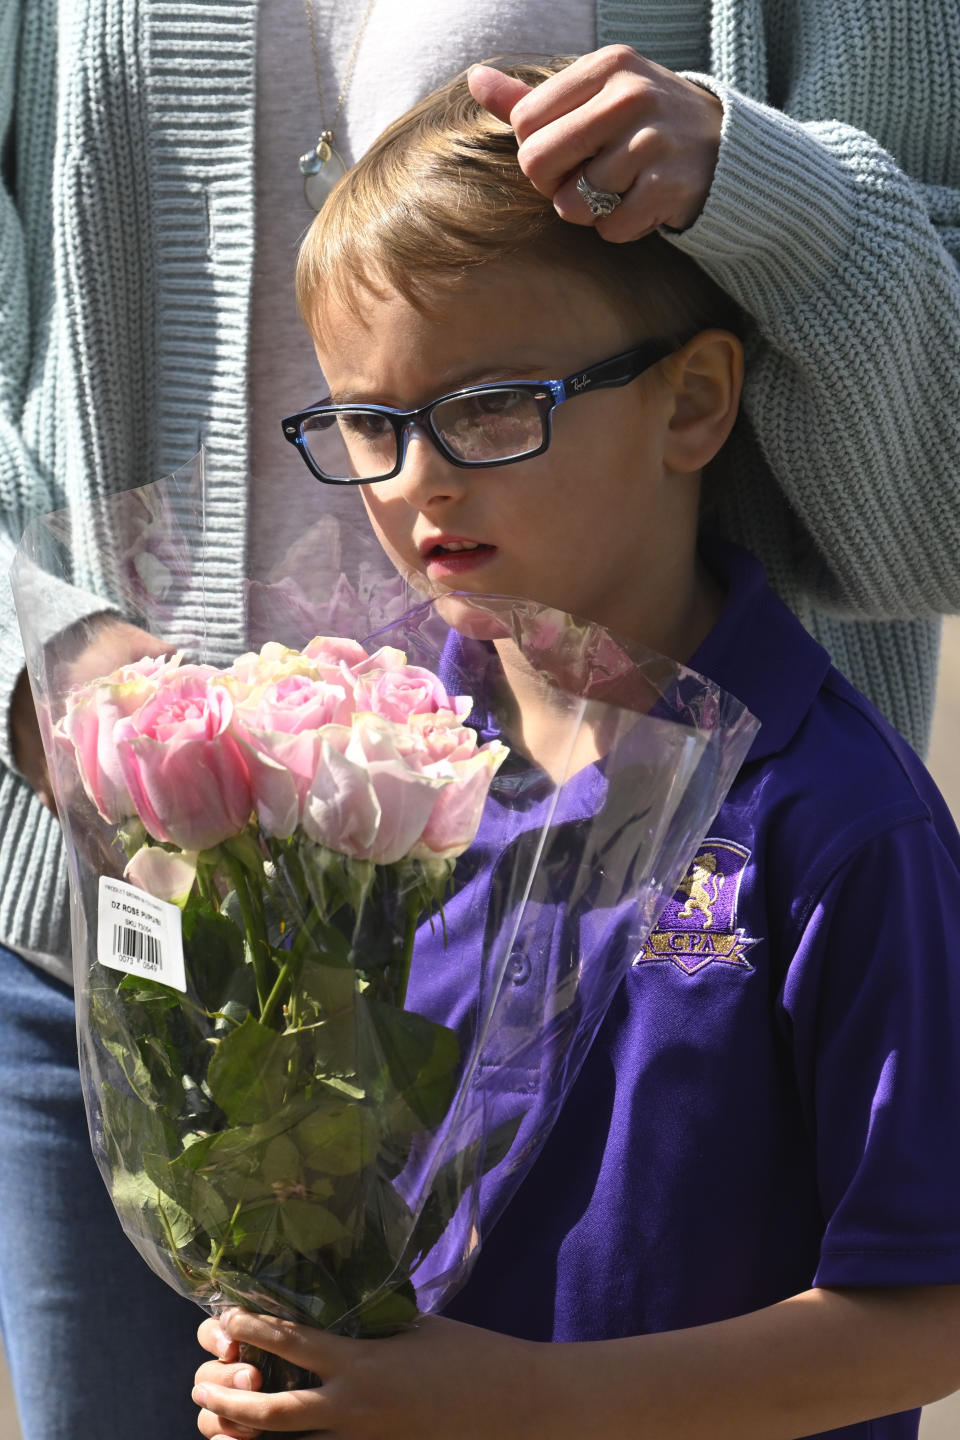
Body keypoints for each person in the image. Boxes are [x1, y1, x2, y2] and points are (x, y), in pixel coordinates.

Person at [3, 4, 960, 1436]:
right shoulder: (374, 799)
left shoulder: (837, 820)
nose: (415, 487)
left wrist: (525, 1402)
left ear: (695, 403)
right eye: (369, 424)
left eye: (494, 407)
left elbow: (928, 1311)